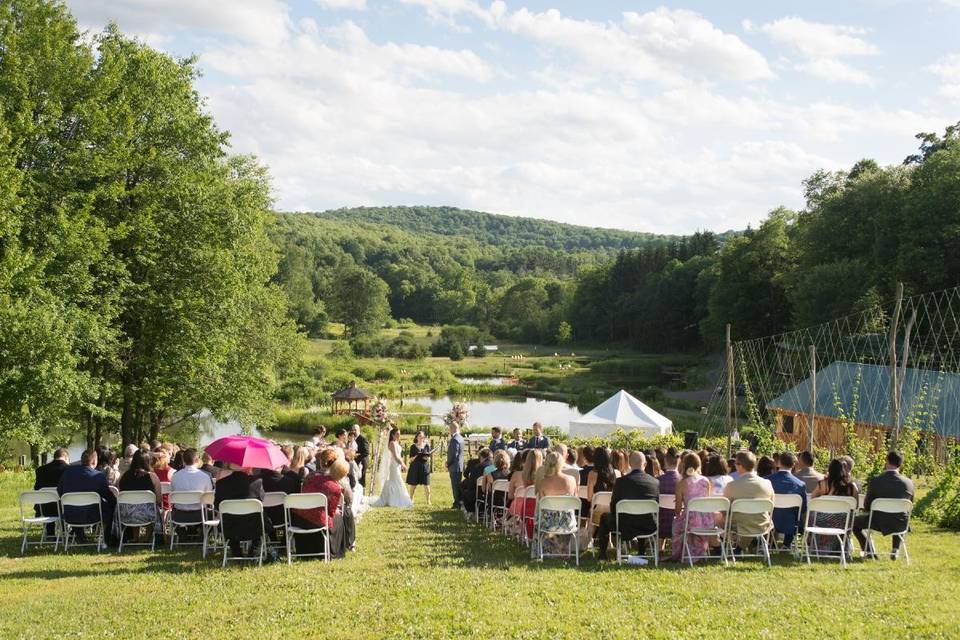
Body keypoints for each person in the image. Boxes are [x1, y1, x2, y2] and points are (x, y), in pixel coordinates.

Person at [597, 451, 660, 560]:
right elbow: (656, 506)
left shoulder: (621, 482)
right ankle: (641, 551)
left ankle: (602, 554)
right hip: (648, 524)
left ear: (629, 464)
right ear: (644, 464)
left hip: (624, 524)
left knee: (604, 517)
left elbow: (614, 506)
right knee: (642, 515)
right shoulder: (655, 482)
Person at [852, 450, 915, 559]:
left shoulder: (876, 481)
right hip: (900, 522)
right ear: (900, 465)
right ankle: (896, 548)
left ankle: (869, 550)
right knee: (900, 516)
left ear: (886, 462)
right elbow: (909, 505)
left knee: (853, 523)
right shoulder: (909, 483)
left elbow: (867, 505)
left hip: (877, 521)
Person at [57, 449, 117, 547]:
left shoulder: (67, 473)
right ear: (94, 461)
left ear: (81, 460)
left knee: (76, 506)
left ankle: (80, 535)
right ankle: (106, 538)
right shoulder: (98, 476)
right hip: (92, 515)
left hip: (69, 514)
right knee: (110, 506)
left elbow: (59, 491)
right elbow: (108, 497)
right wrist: (115, 502)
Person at [293, 457, 349, 558]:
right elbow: (331, 512)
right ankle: (335, 552)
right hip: (316, 521)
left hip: (299, 519)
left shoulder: (312, 477)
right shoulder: (335, 488)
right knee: (339, 518)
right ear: (342, 475)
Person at [214, 464, 269, 558]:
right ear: (247, 467)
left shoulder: (221, 483)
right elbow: (261, 501)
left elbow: (217, 505)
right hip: (254, 525)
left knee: (228, 519)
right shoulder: (257, 482)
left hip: (230, 526)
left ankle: (236, 550)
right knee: (264, 521)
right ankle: (254, 549)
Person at [723, 451, 775, 547]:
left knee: (718, 518)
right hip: (762, 523)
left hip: (738, 525)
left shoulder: (731, 486)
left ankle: (724, 545)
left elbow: (724, 508)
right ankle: (740, 546)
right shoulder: (767, 483)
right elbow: (771, 505)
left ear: (740, 466)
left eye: (736, 463)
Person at [670, 452, 713, 563]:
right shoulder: (706, 481)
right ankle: (697, 551)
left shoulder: (681, 483)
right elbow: (706, 502)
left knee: (677, 524)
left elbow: (677, 510)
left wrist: (679, 514)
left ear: (684, 465)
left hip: (691, 521)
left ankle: (682, 553)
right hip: (706, 521)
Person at [810, 458, 859, 553]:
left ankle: (817, 546)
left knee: (811, 515)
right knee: (846, 517)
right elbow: (855, 506)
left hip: (821, 520)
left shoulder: (822, 484)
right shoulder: (851, 487)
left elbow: (812, 501)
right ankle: (839, 547)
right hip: (843, 521)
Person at [534, 451, 578, 555]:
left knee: (537, 516)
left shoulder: (543, 482)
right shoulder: (571, 480)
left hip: (548, 524)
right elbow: (575, 500)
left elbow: (541, 504)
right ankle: (561, 548)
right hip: (568, 523)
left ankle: (544, 550)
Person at [117, 450, 163, 543]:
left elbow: (120, 493)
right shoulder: (152, 477)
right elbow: (159, 499)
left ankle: (135, 537)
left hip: (127, 514)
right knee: (150, 507)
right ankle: (146, 537)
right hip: (148, 515)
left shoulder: (124, 476)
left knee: (134, 506)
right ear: (148, 461)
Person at [768, 451, 808, 549]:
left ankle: (769, 541)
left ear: (778, 463)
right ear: (794, 464)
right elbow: (803, 509)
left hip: (769, 521)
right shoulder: (800, 484)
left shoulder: (767, 480)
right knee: (794, 513)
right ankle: (787, 543)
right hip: (791, 523)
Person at [169, 449, 214, 528]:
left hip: (179, 515)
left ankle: (183, 533)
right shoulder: (205, 476)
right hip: (200, 515)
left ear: (184, 460)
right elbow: (209, 499)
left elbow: (172, 493)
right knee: (213, 514)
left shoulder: (175, 476)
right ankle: (201, 536)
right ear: (197, 460)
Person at [372, 428, 413, 508]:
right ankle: (398, 499)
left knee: (396, 481)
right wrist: (402, 464)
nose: (399, 435)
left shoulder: (396, 442)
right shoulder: (392, 443)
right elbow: (395, 456)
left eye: (399, 433)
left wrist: (402, 463)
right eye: (397, 434)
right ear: (393, 435)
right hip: (394, 465)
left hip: (397, 464)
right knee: (398, 480)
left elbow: (399, 455)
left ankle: (393, 498)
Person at [34, 448, 70, 532]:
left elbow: (37, 488)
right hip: (64, 506)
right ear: (66, 457)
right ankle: (65, 531)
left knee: (49, 502)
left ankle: (50, 533)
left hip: (45, 508)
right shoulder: (69, 470)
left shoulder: (40, 470)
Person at [586, 447, 618, 528]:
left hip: (597, 513)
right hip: (613, 512)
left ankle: (591, 537)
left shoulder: (592, 474)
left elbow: (589, 498)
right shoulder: (616, 473)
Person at [657, 447, 681, 539]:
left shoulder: (657, 481)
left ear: (665, 460)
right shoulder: (684, 481)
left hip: (661, 526)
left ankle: (659, 549)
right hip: (680, 526)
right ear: (678, 462)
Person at [406, 430, 433, 504]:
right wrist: (416, 456)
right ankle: (411, 500)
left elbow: (429, 456)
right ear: (417, 437)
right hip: (415, 467)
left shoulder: (427, 445)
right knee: (413, 485)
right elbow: (410, 459)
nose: (421, 438)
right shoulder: (413, 446)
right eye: (420, 436)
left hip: (425, 467)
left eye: (422, 436)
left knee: (427, 485)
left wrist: (426, 458)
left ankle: (428, 501)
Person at [447, 422, 465, 509]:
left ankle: (457, 503)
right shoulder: (461, 438)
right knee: (458, 484)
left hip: (454, 466)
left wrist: (448, 463)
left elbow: (454, 454)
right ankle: (458, 501)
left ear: (452, 428)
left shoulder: (454, 439)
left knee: (455, 485)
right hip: (459, 465)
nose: (449, 430)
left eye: (450, 428)